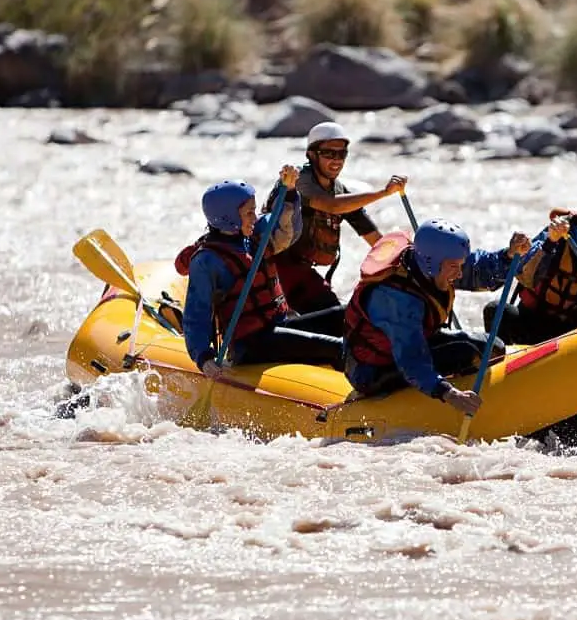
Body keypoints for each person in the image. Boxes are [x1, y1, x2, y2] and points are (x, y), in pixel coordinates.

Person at [343, 219, 534, 416]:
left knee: (493, 346)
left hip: (412, 344)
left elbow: (477, 270)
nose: (459, 273)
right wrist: (450, 394)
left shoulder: (435, 263)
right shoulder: (398, 300)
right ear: (431, 264)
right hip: (372, 371)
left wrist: (509, 254)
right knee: (466, 353)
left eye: (460, 265)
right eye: (454, 266)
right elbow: (412, 362)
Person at [177, 166, 343, 377]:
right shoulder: (208, 260)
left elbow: (285, 229)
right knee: (335, 347)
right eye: (248, 213)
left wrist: (290, 190)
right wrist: (203, 357)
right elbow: (196, 314)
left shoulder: (254, 238)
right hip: (250, 344)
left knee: (344, 316)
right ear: (228, 218)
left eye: (254, 211)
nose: (254, 217)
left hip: (277, 327)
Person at [264, 121, 407, 336]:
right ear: (312, 155)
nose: (336, 160)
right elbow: (331, 205)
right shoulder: (298, 181)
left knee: (343, 319)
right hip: (272, 270)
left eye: (342, 154)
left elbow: (373, 237)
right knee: (292, 323)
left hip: (303, 272)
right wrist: (383, 193)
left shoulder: (340, 190)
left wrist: (403, 262)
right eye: (329, 153)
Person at [483, 189, 577, 345]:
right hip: (532, 321)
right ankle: (501, 362)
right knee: (496, 310)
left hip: (570, 337)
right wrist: (550, 242)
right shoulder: (558, 238)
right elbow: (525, 275)